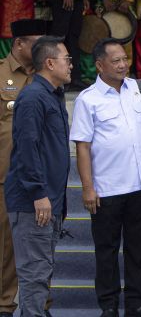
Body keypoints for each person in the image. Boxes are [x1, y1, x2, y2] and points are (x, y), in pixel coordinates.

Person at [70, 38, 141, 317]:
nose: (123, 64)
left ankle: (137, 304)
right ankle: (109, 306)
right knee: (107, 250)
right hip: (106, 189)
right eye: (116, 60)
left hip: (140, 186)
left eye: (125, 59)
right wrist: (87, 188)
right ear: (100, 65)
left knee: (138, 249)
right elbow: (83, 147)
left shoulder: (140, 89)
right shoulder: (87, 99)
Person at [4, 36, 71, 317]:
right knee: (34, 277)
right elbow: (26, 151)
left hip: (49, 200)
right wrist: (39, 193)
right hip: (35, 202)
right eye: (67, 59)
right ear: (50, 62)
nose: (71, 65)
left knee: (40, 273)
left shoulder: (52, 95)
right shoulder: (33, 98)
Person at [0, 20, 46, 317]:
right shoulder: (0, 73)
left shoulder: (45, 76)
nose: (43, 50)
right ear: (19, 44)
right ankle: (5, 304)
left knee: (42, 244)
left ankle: (41, 305)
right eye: (36, 44)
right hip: (6, 175)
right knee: (6, 245)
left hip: (41, 176)